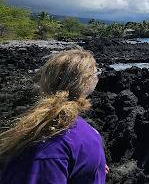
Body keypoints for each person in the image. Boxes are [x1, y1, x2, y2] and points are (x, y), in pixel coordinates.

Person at [0, 49, 108, 183]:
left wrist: (94, 167)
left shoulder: (40, 124)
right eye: (96, 72)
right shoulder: (55, 142)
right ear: (85, 82)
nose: (98, 76)